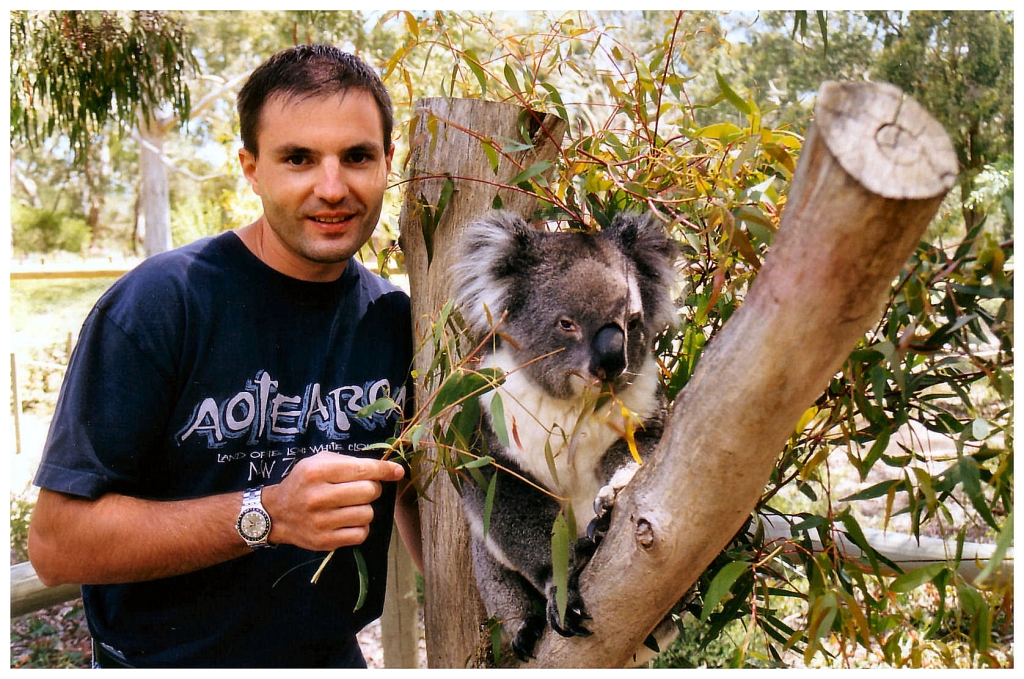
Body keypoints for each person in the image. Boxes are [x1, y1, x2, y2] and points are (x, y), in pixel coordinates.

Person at [27, 44, 422, 668]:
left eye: (356, 157)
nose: (332, 187)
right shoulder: (164, 303)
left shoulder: (398, 321)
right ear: (251, 168)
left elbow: (425, 506)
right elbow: (56, 543)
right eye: (298, 158)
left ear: (387, 162)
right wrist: (267, 514)